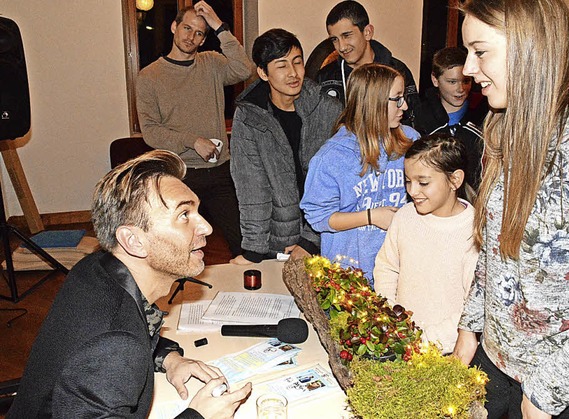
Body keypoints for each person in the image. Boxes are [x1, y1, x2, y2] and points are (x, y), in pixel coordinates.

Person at [452, 0, 569, 418]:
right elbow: (495, 250)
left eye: (480, 51)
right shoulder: (502, 126)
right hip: (495, 362)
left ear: (530, 46)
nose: (467, 68)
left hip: (567, 384)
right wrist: (469, 329)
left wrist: (545, 393)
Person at [7, 150, 252, 418]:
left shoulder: (96, 268)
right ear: (133, 241)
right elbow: (114, 343)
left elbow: (128, 328)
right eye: (184, 215)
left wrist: (170, 358)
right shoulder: (114, 346)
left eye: (196, 211)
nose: (206, 227)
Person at [136, 1, 253, 257]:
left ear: (203, 40)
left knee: (243, 245)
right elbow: (151, 132)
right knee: (176, 250)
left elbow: (245, 68)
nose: (191, 37)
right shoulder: (149, 77)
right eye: (187, 28)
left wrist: (219, 27)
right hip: (179, 174)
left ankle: (247, 296)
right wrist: (193, 141)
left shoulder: (211, 63)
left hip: (220, 171)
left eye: (200, 33)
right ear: (174, 27)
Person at [229, 29, 342, 265]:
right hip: (279, 242)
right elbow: (252, 186)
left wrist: (310, 241)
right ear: (263, 72)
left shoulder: (328, 108)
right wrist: (253, 251)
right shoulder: (249, 117)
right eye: (281, 66)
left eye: (297, 62)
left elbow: (337, 182)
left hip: (328, 235)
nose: (293, 73)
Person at [301, 63, 420, 286]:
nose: (404, 106)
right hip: (350, 280)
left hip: (401, 271)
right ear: (373, 102)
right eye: (397, 98)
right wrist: (371, 216)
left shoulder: (412, 141)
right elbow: (318, 218)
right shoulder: (331, 157)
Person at [374, 134, 478, 354]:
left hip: (445, 352)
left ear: (455, 180)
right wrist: (391, 317)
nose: (412, 191)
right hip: (399, 339)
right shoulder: (405, 216)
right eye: (408, 181)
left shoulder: (474, 233)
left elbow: (472, 307)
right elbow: (387, 267)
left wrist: (422, 340)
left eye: (423, 182)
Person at [316, 0, 424, 131]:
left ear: (367, 32)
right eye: (335, 39)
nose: (341, 47)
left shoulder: (397, 70)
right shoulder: (325, 78)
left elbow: (414, 121)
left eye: (347, 36)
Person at [419, 46, 488, 191]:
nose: (460, 89)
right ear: (435, 80)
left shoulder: (484, 116)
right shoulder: (420, 118)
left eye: (466, 81)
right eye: (452, 82)